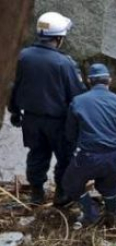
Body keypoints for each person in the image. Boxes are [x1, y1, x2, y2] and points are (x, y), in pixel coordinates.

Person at [8, 12, 85, 205]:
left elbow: (14, 86)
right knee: (65, 158)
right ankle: (61, 194)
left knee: (37, 154)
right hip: (58, 122)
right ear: (59, 38)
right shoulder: (64, 63)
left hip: (31, 119)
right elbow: (77, 95)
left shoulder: (23, 57)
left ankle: (36, 194)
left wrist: (14, 111)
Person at [61, 63, 116, 226]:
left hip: (88, 155)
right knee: (109, 187)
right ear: (109, 80)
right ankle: (113, 216)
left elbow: (70, 134)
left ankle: (91, 213)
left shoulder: (78, 101)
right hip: (112, 155)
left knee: (70, 183)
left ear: (89, 81)